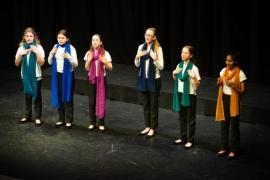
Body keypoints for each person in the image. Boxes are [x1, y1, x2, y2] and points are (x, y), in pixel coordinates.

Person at [215, 52, 247, 159]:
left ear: (235, 62)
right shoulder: (223, 71)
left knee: (234, 127)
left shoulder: (240, 73)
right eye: (226, 60)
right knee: (224, 125)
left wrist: (233, 85)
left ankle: (234, 150)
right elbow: (218, 83)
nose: (228, 62)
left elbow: (243, 90)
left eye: (230, 60)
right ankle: (224, 147)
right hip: (224, 99)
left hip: (234, 101)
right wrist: (219, 82)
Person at [134, 27, 164, 137]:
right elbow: (137, 65)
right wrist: (137, 56)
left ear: (154, 37)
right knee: (145, 105)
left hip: (154, 80)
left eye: (150, 35)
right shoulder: (141, 47)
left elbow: (161, 67)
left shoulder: (157, 49)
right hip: (143, 80)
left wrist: (155, 59)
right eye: (146, 34)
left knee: (153, 106)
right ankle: (147, 126)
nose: (147, 37)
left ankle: (153, 127)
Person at [15, 27, 45, 126]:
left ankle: (37, 117)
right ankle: (27, 116)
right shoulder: (21, 48)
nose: (28, 38)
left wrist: (36, 52)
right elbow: (16, 63)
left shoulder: (39, 47)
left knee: (36, 97)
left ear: (34, 37)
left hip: (36, 76)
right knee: (28, 95)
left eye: (31, 36)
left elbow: (41, 63)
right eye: (27, 36)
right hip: (26, 76)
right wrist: (20, 54)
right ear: (24, 37)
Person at [48, 29, 78, 128]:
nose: (60, 40)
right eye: (59, 38)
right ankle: (61, 119)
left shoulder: (71, 48)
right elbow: (49, 62)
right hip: (58, 75)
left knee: (68, 96)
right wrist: (52, 53)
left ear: (67, 39)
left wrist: (69, 57)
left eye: (62, 38)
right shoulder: (55, 47)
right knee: (60, 96)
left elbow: (76, 64)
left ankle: (69, 120)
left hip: (68, 76)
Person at [172, 45, 201, 148]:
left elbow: (197, 85)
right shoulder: (179, 65)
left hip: (189, 95)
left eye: (185, 53)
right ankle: (182, 137)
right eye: (182, 52)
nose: (183, 54)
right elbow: (177, 80)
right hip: (180, 94)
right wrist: (174, 74)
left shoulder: (194, 68)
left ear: (191, 55)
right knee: (182, 117)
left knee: (190, 118)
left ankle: (190, 139)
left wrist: (193, 78)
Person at [84, 34, 113, 132]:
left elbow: (110, 68)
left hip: (101, 80)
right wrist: (88, 61)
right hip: (92, 79)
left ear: (100, 42)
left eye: (96, 40)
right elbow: (87, 68)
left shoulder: (105, 53)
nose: (94, 42)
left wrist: (105, 62)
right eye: (93, 40)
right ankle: (92, 122)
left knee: (101, 101)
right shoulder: (89, 53)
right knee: (91, 102)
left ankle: (101, 123)